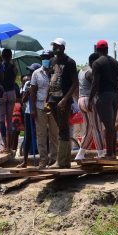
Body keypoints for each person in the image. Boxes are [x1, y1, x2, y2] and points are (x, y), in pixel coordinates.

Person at [89, 40, 118, 159]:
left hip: (104, 95)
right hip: (116, 94)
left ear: (97, 50)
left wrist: (90, 100)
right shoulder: (115, 62)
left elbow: (95, 83)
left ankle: (109, 154)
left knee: (109, 126)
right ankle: (112, 152)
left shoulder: (97, 63)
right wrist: (112, 81)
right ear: (107, 49)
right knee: (112, 125)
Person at [47, 38, 78, 168]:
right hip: (53, 99)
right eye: (54, 46)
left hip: (63, 100)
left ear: (63, 48)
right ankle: (65, 161)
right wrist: (47, 99)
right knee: (61, 128)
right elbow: (51, 80)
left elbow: (75, 83)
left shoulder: (70, 62)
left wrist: (65, 99)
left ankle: (61, 161)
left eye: (57, 46)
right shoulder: (52, 61)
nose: (55, 48)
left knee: (63, 128)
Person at [30, 50, 59, 168]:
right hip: (40, 106)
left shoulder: (56, 72)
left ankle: (54, 159)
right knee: (41, 134)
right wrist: (32, 108)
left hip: (53, 107)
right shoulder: (36, 73)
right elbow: (32, 92)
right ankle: (43, 159)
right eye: (43, 57)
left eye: (47, 57)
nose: (45, 59)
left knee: (54, 134)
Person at [77, 52, 104, 160]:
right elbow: (95, 85)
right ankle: (101, 153)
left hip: (81, 100)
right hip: (89, 100)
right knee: (97, 128)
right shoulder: (91, 72)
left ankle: (80, 154)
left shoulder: (82, 70)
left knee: (89, 129)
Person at [18, 64, 41, 168]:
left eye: (32, 71)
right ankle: (25, 161)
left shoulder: (41, 81)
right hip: (29, 112)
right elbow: (22, 100)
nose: (30, 73)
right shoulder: (27, 83)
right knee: (28, 136)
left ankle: (42, 159)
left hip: (40, 110)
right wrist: (28, 92)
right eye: (30, 71)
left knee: (40, 135)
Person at [0, 48, 19, 154]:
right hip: (11, 93)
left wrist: (0, 64)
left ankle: (5, 145)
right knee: (9, 120)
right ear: (10, 56)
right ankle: (10, 147)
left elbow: (0, 79)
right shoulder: (14, 67)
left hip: (2, 94)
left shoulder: (0, 66)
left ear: (2, 56)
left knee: (1, 120)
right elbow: (14, 78)